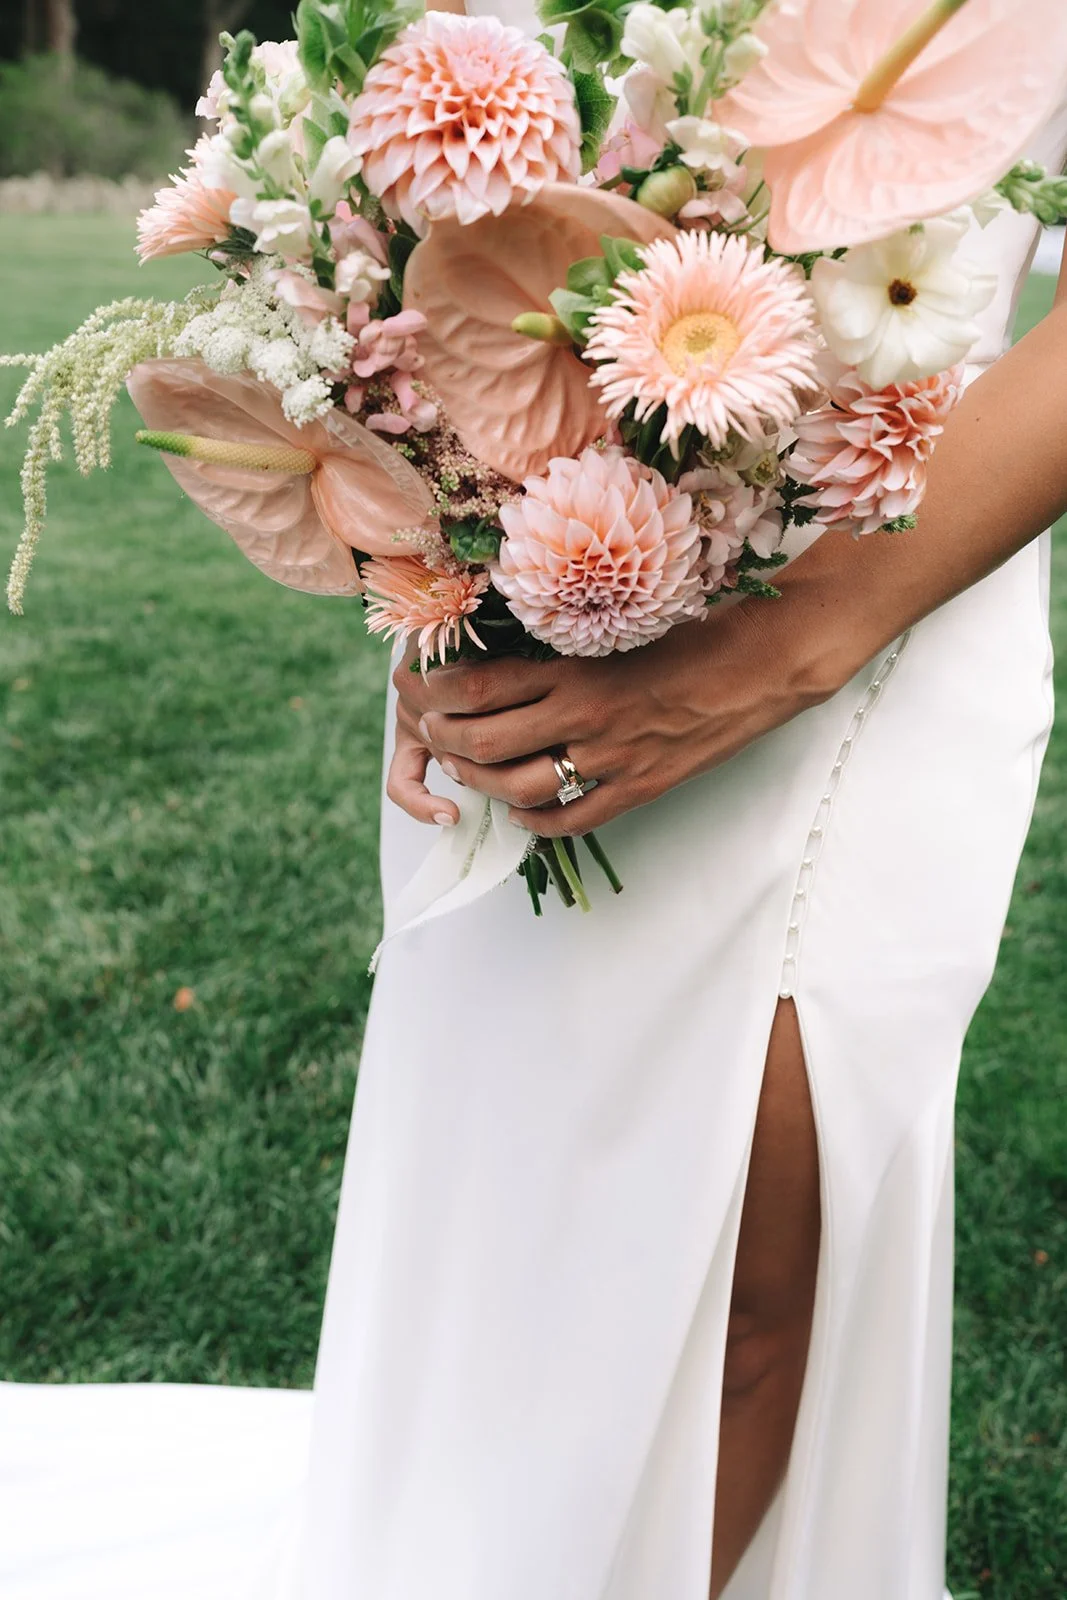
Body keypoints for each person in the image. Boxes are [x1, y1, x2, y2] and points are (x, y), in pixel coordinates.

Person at [2, 5, 1066, 1599]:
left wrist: (795, 638)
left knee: (750, 1291)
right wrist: (425, 580)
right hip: (542, 562)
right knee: (528, 1239)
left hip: (891, 560)